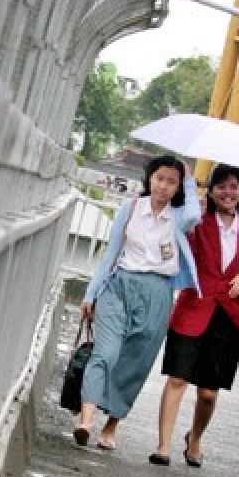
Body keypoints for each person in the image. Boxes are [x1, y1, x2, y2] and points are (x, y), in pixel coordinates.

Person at [74, 155, 201, 449]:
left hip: (158, 292)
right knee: (105, 352)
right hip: (119, 285)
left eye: (172, 181)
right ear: (149, 178)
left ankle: (110, 427)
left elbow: (195, 216)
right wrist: (91, 293)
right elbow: (111, 253)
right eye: (159, 178)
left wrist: (192, 181)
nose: (164, 186)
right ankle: (86, 420)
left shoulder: (179, 216)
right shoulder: (131, 208)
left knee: (135, 362)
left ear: (179, 186)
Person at [152, 164, 239, 466]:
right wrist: (189, 188)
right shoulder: (197, 222)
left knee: (208, 393)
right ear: (211, 190)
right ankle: (163, 446)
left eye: (233, 186)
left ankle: (195, 438)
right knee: (177, 379)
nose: (227, 193)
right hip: (193, 309)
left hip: (228, 316)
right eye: (220, 186)